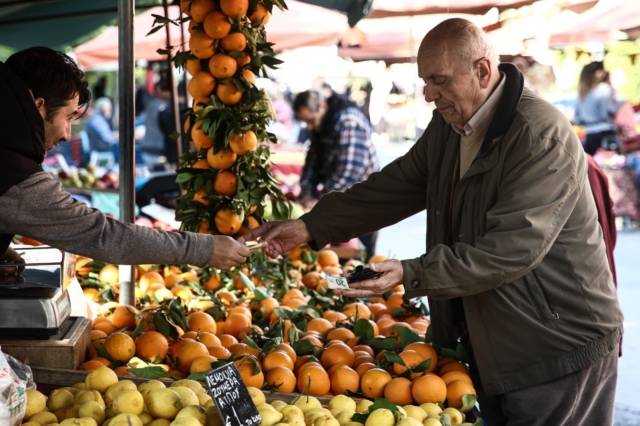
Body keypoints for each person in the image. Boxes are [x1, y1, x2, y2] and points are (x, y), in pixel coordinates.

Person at [240, 19, 623, 425]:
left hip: (556, 347)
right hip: (497, 345)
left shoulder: (538, 134)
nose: (427, 94)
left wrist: (410, 272)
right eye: (424, 81)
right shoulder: (452, 123)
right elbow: (397, 185)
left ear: (482, 71)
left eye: (438, 80)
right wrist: (311, 227)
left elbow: (511, 249)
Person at [0, 47, 250, 277]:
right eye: (67, 117)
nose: (67, 134)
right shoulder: (15, 176)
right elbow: (102, 235)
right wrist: (202, 248)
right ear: (38, 106)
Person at [293, 90, 379, 260]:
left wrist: (321, 199)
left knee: (361, 264)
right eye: (306, 123)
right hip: (340, 203)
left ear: (322, 106)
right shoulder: (320, 124)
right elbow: (312, 162)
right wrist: (307, 192)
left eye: (311, 121)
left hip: (363, 205)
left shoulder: (348, 121)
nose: (309, 127)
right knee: (336, 266)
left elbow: (349, 172)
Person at [574, 61, 624, 155]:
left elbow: (577, 118)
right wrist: (620, 103)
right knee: (616, 164)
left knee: (589, 165)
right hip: (606, 131)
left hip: (590, 133)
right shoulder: (604, 89)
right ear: (596, 73)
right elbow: (607, 112)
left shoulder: (581, 93)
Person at [140, 81, 171, 170]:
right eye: (165, 89)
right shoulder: (159, 106)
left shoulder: (155, 104)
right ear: (158, 90)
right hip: (155, 150)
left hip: (152, 149)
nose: (169, 92)